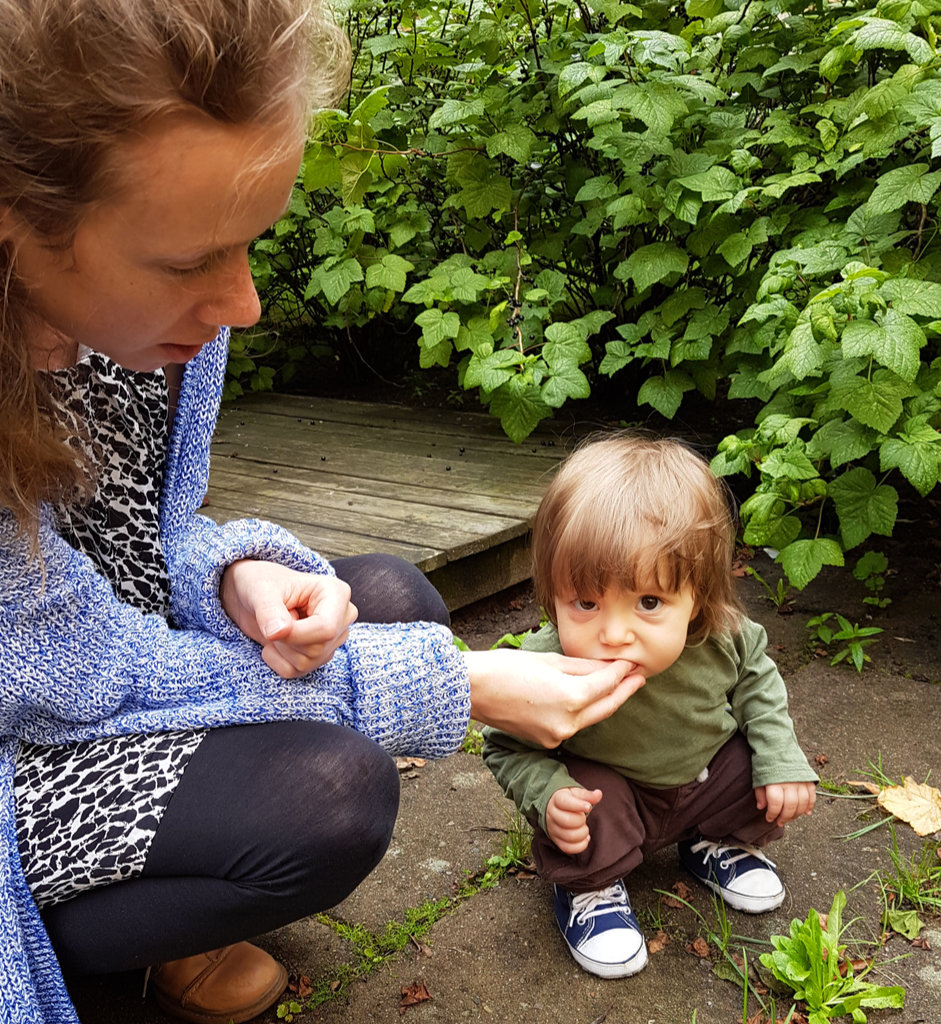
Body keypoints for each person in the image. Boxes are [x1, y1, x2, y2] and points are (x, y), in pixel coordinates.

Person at [0, 3, 646, 1022]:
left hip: (82, 657)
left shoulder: (154, 332)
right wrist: (463, 685)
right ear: (16, 230)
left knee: (388, 594)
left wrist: (235, 573)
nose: (243, 304)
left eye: (251, 242)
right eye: (188, 263)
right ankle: (84, 929)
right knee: (331, 791)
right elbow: (58, 676)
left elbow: (149, 531)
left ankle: (161, 888)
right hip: (25, 726)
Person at [482, 434, 818, 980]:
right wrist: (548, 795)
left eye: (649, 602)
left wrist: (781, 756)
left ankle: (713, 843)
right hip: (615, 795)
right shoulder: (542, 667)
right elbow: (503, 743)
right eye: (586, 603)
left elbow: (759, 682)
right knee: (586, 799)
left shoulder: (723, 635)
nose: (615, 634)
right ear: (553, 594)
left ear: (698, 599)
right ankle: (591, 887)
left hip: (701, 779)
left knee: (756, 765)